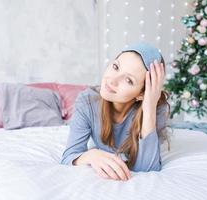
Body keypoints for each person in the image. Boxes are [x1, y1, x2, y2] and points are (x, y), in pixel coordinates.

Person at [60, 42, 170, 181]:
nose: (112, 80)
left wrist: (149, 108)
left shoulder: (155, 107)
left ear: (142, 94)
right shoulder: (87, 101)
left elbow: (148, 170)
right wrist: (92, 155)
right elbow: (68, 157)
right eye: (116, 67)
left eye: (129, 80)